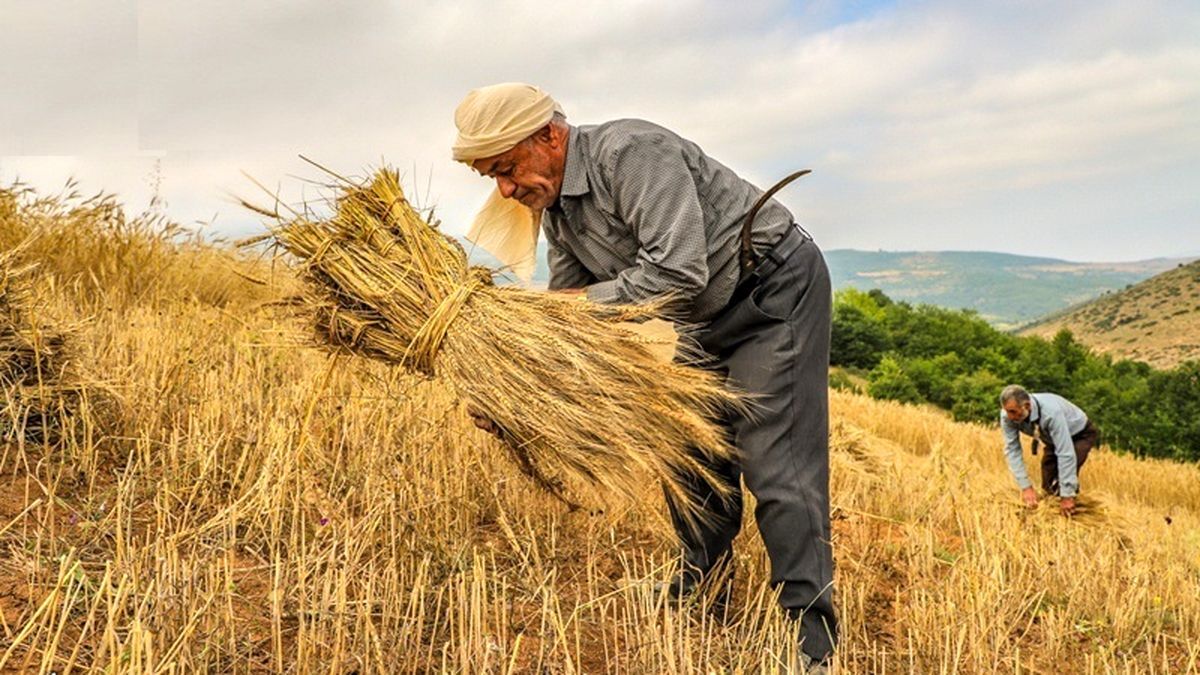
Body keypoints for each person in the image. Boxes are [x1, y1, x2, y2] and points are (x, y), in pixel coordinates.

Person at [451, 82, 836, 667]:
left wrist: (572, 309)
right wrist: (517, 385)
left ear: (549, 136)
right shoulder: (560, 214)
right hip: (699, 316)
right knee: (689, 453)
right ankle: (697, 589)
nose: (506, 189)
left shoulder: (631, 153)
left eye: (508, 168)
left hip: (769, 292)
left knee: (775, 462)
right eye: (493, 179)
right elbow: (572, 319)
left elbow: (678, 270)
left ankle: (811, 637)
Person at [999, 384, 1101, 516]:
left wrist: (1067, 496)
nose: (1010, 416)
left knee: (1062, 479)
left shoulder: (1051, 413)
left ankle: (1073, 512)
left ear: (1027, 406)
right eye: (1007, 411)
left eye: (1013, 412)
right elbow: (1012, 450)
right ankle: (1051, 517)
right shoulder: (1007, 416)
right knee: (1048, 481)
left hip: (1079, 434)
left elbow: (1066, 453)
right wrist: (1026, 487)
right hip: (1051, 437)